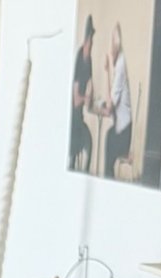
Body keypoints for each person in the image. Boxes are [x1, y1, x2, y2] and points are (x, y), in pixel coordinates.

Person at [102, 21, 134, 177]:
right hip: (122, 128)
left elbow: (109, 107)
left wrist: (107, 71)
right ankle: (108, 179)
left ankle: (108, 180)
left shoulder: (120, 66)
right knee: (109, 137)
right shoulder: (120, 63)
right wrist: (108, 70)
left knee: (109, 139)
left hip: (124, 132)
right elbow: (111, 100)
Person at [70, 15, 96, 172]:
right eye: (90, 41)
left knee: (89, 144)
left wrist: (92, 95)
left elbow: (91, 83)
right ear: (86, 41)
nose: (91, 45)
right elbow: (75, 99)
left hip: (80, 117)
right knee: (78, 147)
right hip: (73, 119)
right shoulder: (79, 60)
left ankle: (85, 172)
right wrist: (86, 98)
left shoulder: (89, 60)